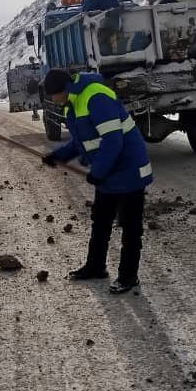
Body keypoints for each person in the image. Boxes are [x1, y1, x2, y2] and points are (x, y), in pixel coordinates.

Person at [39, 69, 153, 293]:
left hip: (128, 170)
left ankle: (128, 277)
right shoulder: (76, 101)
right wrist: (57, 156)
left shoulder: (95, 97)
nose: (52, 100)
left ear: (61, 90)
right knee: (100, 221)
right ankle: (96, 267)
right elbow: (82, 142)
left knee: (130, 227)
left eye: (53, 95)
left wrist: (98, 171)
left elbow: (113, 140)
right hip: (110, 172)